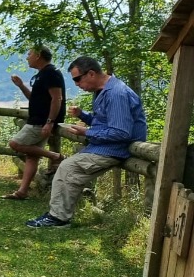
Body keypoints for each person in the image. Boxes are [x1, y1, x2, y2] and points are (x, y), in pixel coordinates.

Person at [26, 56, 147, 228]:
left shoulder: (116, 94)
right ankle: (58, 216)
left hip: (114, 148)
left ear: (91, 74)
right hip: (105, 146)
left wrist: (87, 132)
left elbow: (121, 132)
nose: (76, 84)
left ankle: (58, 218)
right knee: (69, 171)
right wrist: (83, 115)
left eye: (77, 79)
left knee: (67, 167)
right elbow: (106, 123)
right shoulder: (104, 91)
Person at [2, 46, 66, 200]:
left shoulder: (51, 73)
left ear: (38, 56)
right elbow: (35, 99)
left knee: (15, 144)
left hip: (41, 121)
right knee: (31, 157)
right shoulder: (42, 74)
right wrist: (21, 85)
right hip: (39, 120)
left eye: (29, 54)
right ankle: (22, 192)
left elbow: (57, 99)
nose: (27, 57)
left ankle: (56, 156)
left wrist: (49, 122)